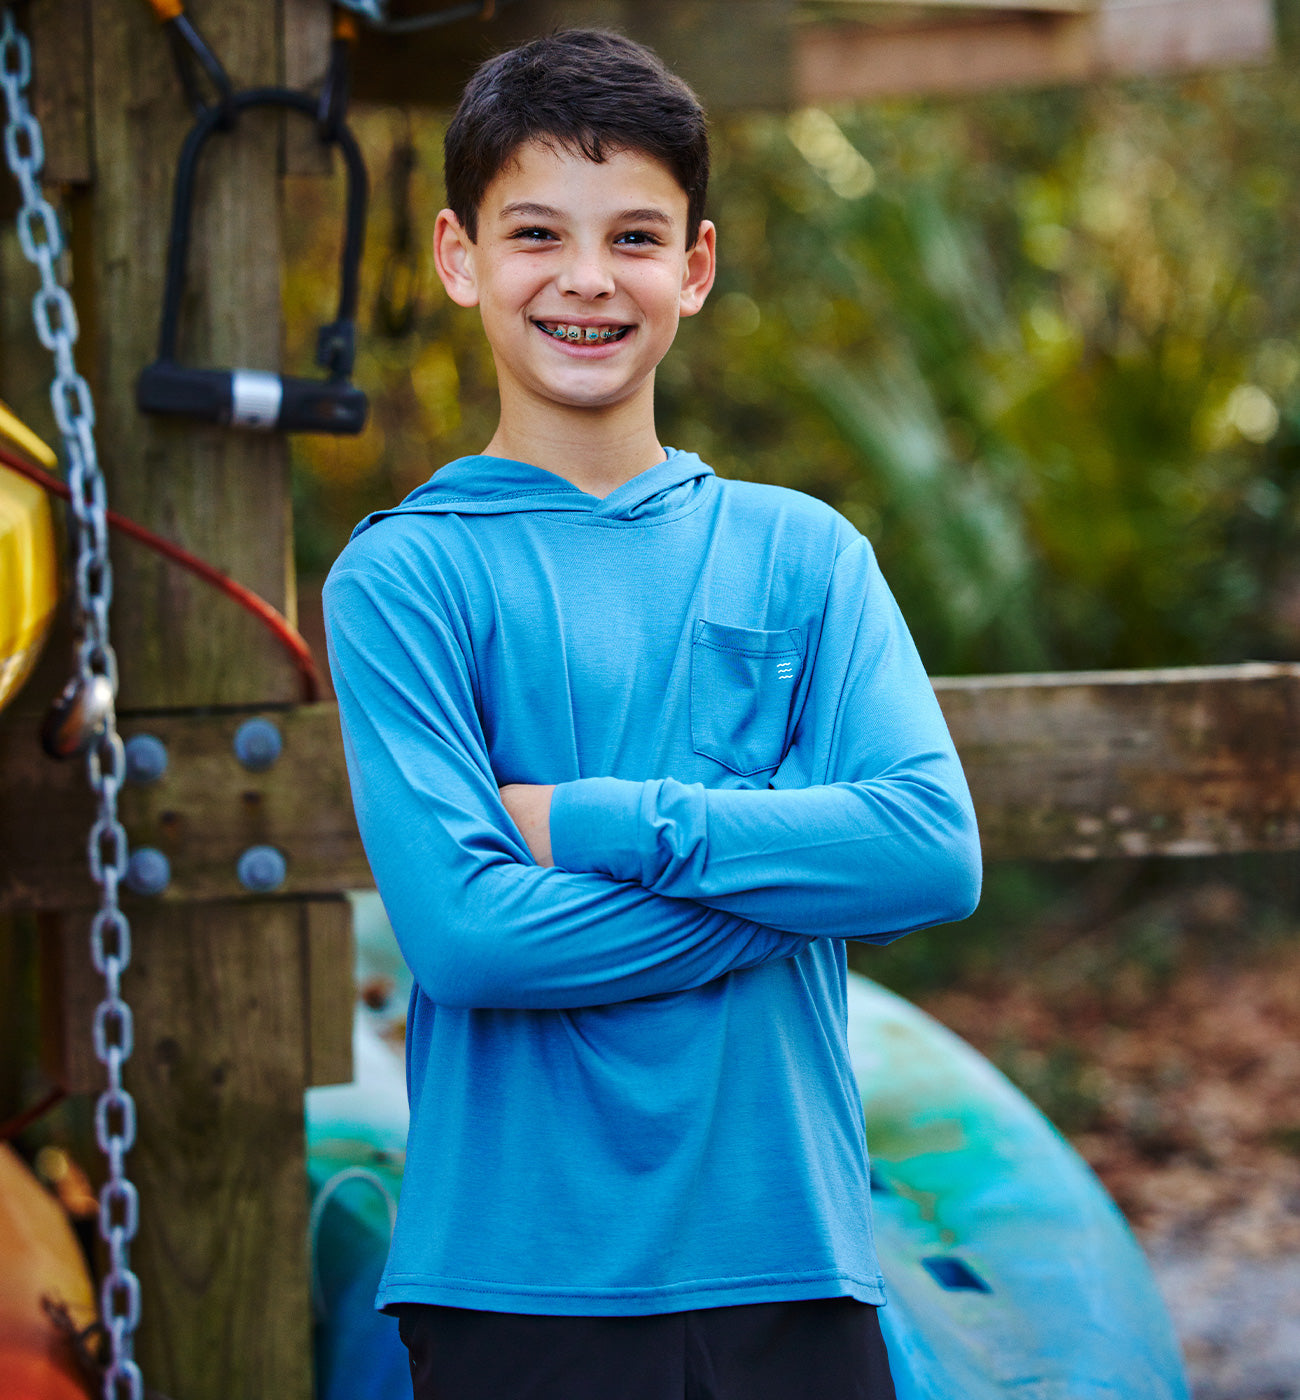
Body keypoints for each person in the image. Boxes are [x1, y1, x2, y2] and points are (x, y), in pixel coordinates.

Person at [323, 28, 981, 1400]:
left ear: (695, 266)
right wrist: (800, 879)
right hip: (514, 1282)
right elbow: (467, 938)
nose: (586, 278)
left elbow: (929, 853)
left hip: (793, 1263)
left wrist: (594, 822)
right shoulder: (403, 576)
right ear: (459, 257)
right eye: (535, 234)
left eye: (634, 236)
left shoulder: (806, 555)